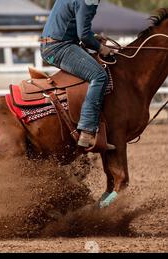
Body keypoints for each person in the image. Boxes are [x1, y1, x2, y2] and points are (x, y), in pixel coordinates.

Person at [40, 0, 116, 148]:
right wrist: (101, 48)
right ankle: (87, 132)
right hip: (59, 47)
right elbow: (83, 35)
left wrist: (92, 36)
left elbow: (73, 24)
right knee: (99, 76)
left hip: (54, 43)